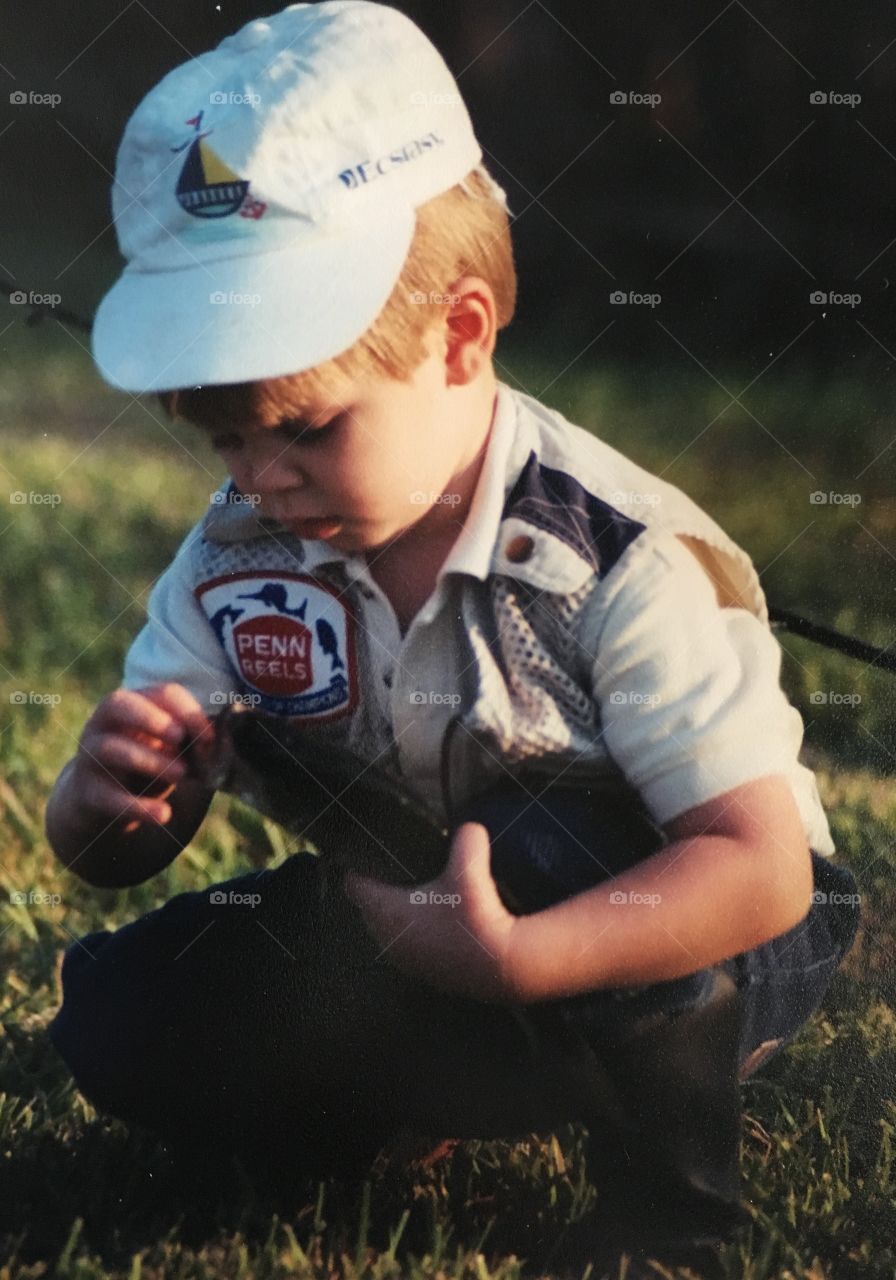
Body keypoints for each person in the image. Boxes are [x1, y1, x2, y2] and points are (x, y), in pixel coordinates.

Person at [46, 1, 860, 1268]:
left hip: (686, 918)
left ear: (460, 335)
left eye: (305, 427)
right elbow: (114, 844)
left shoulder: (616, 561)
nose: (259, 477)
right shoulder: (240, 553)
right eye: (224, 434)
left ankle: (671, 1215)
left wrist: (521, 959)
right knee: (119, 1011)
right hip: (422, 900)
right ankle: (402, 1094)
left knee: (549, 844)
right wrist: (113, 802)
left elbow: (761, 871)